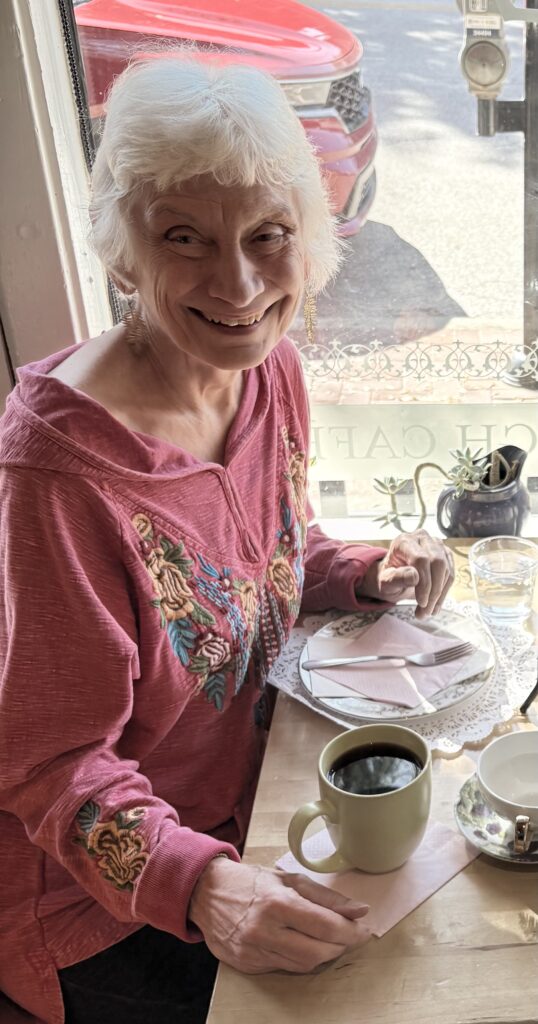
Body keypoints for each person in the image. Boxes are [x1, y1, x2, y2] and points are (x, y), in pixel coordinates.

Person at [0, 52, 454, 1024]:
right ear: (122, 252)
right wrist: (204, 887)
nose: (239, 283)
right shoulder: (56, 475)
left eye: (267, 235)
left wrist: (365, 569)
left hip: (255, 812)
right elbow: (50, 766)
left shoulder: (266, 369)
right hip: (89, 905)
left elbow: (260, 562)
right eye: (184, 237)